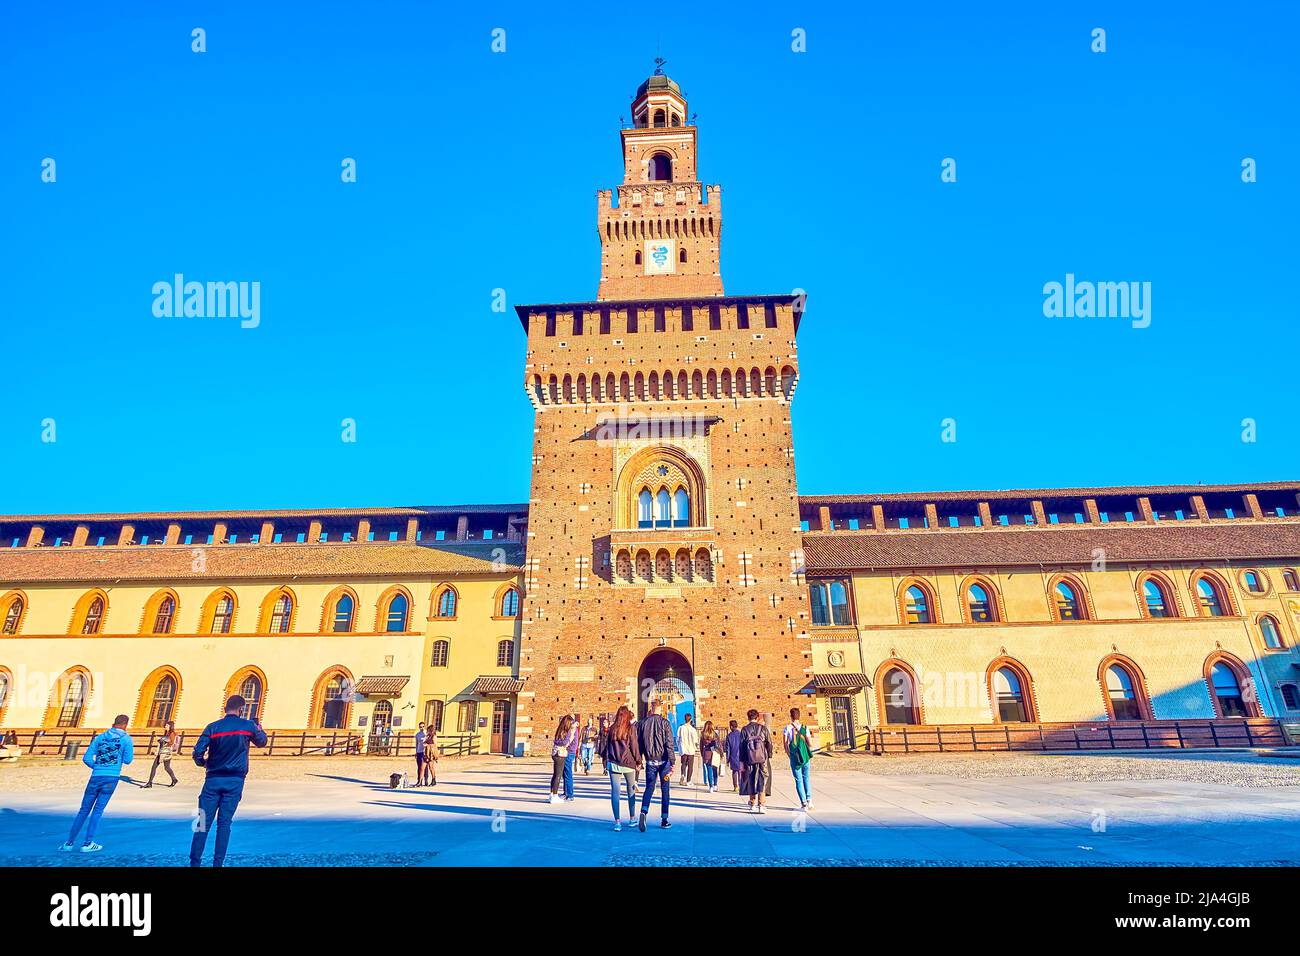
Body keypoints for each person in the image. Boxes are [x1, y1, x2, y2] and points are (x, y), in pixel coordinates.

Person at [189, 694, 267, 867]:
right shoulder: (247, 726)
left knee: (202, 823)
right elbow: (262, 742)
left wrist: (204, 763)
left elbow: (198, 752)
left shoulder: (212, 727)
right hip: (234, 781)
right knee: (224, 824)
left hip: (212, 780)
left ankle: (194, 863)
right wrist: (259, 728)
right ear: (241, 709)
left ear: (225, 709)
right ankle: (218, 864)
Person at [61, 714, 134, 853]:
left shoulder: (99, 737)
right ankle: (87, 843)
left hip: (95, 777)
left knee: (83, 810)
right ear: (125, 724)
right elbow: (128, 760)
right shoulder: (126, 739)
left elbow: (87, 758)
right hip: (111, 778)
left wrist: (97, 766)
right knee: (97, 811)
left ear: (114, 723)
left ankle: (69, 843)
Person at [598, 705, 642, 830]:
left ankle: (617, 821)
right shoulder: (630, 728)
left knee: (615, 793)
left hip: (613, 763)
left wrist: (605, 758)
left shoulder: (612, 729)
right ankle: (632, 818)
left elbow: (607, 746)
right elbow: (634, 746)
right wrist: (638, 761)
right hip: (628, 763)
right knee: (631, 791)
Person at [636, 699, 675, 831]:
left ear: (651, 708)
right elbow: (669, 743)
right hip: (664, 762)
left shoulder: (642, 723)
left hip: (650, 761)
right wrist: (673, 762)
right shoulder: (665, 723)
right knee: (665, 790)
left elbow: (639, 744)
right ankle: (664, 819)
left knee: (649, 788)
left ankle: (643, 811)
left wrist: (639, 760)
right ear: (660, 708)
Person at [738, 709, 772, 813]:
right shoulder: (763, 729)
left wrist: (741, 761)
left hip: (749, 758)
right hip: (762, 759)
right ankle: (761, 804)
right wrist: (768, 755)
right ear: (757, 718)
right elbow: (769, 743)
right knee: (762, 779)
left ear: (748, 718)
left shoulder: (744, 730)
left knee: (751, 778)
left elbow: (742, 747)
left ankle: (752, 803)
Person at [782, 707, 815, 810]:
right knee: (806, 778)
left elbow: (785, 744)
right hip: (805, 757)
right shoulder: (805, 727)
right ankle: (809, 801)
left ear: (791, 716)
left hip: (794, 757)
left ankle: (803, 803)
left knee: (798, 780)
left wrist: (790, 755)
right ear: (799, 716)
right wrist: (805, 751)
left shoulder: (787, 728)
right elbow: (810, 744)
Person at [549, 714, 577, 803]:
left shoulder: (571, 730)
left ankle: (569, 794)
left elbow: (569, 743)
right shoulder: (566, 730)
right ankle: (565, 793)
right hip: (562, 752)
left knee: (566, 774)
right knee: (562, 774)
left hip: (568, 752)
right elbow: (564, 742)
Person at [144, 719, 179, 788]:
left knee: (159, 767)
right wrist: (161, 740)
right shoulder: (167, 733)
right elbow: (166, 741)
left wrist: (162, 741)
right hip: (163, 752)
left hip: (165, 752)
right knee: (165, 767)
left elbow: (171, 743)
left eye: (167, 725)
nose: (165, 726)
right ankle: (174, 779)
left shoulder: (172, 733)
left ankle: (150, 783)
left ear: (170, 726)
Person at [676, 712, 699, 787]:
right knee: (690, 766)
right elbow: (695, 741)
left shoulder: (681, 728)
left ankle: (683, 774)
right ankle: (688, 781)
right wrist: (696, 748)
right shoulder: (693, 730)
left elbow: (677, 738)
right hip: (691, 749)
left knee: (683, 764)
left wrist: (679, 746)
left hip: (683, 749)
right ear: (691, 719)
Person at [699, 720, 720, 793]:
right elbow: (718, 744)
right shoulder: (715, 734)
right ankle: (715, 785)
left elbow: (701, 746)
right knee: (715, 770)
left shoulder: (703, 734)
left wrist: (702, 754)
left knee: (709, 770)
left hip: (707, 753)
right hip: (714, 753)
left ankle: (710, 786)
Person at [724, 719, 743, 792]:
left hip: (733, 756)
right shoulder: (741, 734)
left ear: (731, 726)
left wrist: (727, 759)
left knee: (734, 772)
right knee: (740, 771)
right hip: (741, 756)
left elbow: (728, 748)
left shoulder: (729, 736)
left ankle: (736, 786)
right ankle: (741, 786)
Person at [414, 722, 429, 787]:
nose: (421, 728)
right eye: (420, 727)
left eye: (423, 726)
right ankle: (419, 780)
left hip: (424, 752)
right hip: (419, 751)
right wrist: (416, 752)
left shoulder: (427, 734)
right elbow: (417, 744)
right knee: (419, 767)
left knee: (425, 767)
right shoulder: (417, 734)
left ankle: (426, 780)